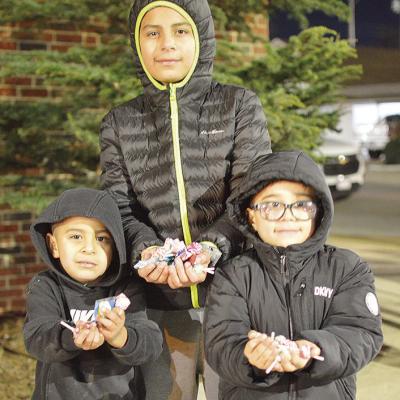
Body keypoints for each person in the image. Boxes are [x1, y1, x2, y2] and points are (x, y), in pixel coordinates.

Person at [100, 0, 271, 398]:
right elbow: (119, 208)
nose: (166, 45)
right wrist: (146, 251)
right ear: (137, 43)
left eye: (180, 31)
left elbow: (253, 197)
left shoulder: (238, 106)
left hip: (234, 300)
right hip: (159, 304)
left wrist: (211, 248)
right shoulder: (119, 122)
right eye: (152, 32)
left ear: (201, 38)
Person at [204, 151, 383, 400]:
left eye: (301, 204)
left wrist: (315, 350)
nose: (287, 215)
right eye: (272, 204)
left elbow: (361, 333)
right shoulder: (234, 275)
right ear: (251, 216)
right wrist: (251, 356)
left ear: (319, 211)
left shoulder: (347, 268)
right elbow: (220, 343)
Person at [24, 188, 163, 399]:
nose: (89, 248)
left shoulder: (126, 288)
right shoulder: (46, 286)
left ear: (115, 246)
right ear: (54, 245)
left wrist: (120, 336)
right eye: (76, 236)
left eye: (102, 239)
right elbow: (36, 338)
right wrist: (72, 337)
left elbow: (150, 343)